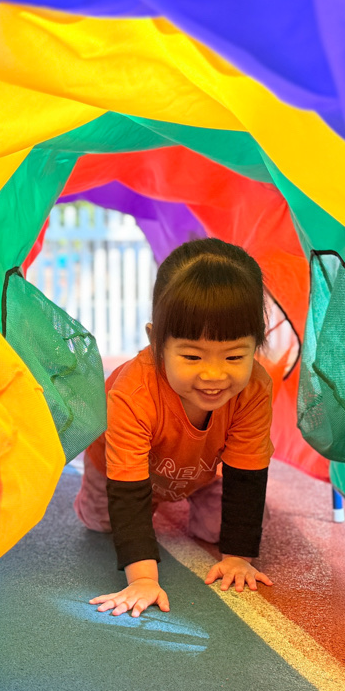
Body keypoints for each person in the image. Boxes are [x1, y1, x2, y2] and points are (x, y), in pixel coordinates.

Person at [74, 237, 275, 618]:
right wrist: (143, 579)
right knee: (103, 524)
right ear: (156, 341)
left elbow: (247, 474)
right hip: (122, 472)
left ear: (256, 344)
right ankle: (145, 500)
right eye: (192, 356)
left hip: (197, 470)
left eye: (234, 356)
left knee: (227, 529)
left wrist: (237, 557)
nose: (213, 375)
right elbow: (127, 489)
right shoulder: (133, 392)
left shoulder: (254, 389)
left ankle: (190, 495)